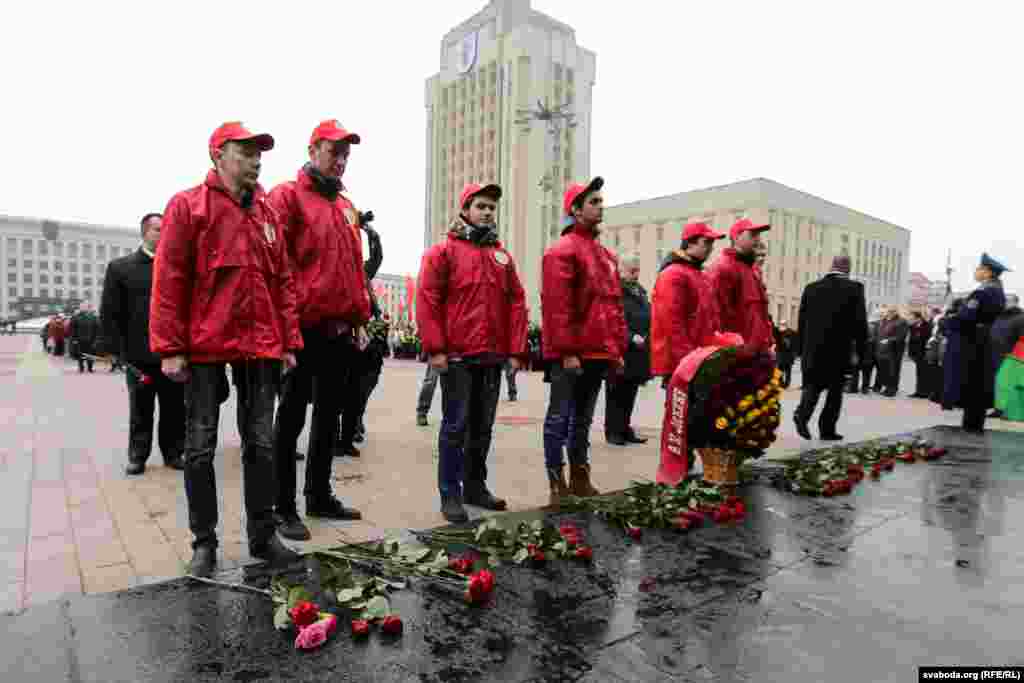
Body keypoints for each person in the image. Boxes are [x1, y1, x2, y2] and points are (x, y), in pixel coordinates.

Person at [150, 121, 304, 577]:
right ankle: (204, 542)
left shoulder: (267, 214)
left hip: (261, 345)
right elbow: (170, 278)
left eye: (259, 154)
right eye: (246, 152)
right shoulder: (188, 206)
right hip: (205, 346)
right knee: (200, 446)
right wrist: (170, 347)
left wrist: (289, 342)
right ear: (218, 154)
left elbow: (283, 282)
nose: (256, 161)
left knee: (261, 443)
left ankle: (263, 536)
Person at [266, 119, 369, 542]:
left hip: (338, 329)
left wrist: (360, 318)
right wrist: (285, 330)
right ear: (312, 150)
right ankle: (281, 507)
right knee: (291, 417)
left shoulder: (346, 206)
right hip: (302, 328)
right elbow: (276, 266)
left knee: (329, 415)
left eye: (346, 154)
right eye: (333, 152)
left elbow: (354, 267)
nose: (340, 160)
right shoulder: (287, 196)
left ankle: (319, 495)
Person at [417, 182, 528, 522]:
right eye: (480, 206)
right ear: (465, 210)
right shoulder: (443, 252)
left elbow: (516, 302)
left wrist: (515, 351)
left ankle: (475, 487)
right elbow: (428, 299)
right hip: (458, 356)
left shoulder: (502, 257)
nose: (487, 212)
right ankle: (450, 494)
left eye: (491, 207)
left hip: (491, 356)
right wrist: (436, 349)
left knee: (483, 426)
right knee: (456, 426)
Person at [541, 177, 626, 504]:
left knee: (583, 419)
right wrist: (567, 351)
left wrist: (615, 349)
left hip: (598, 352)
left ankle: (580, 476)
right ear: (575, 210)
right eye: (593, 202)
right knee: (559, 417)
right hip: (572, 354)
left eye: (601, 201)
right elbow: (557, 306)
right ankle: (556, 482)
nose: (601, 206)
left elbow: (614, 306)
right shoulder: (561, 251)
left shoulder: (605, 255)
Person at [99, 213, 186, 475]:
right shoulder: (121, 268)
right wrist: (114, 350)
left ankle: (173, 453)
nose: (164, 233)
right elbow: (110, 312)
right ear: (145, 233)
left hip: (172, 354)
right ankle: (138, 456)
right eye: (158, 229)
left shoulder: (178, 267)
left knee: (174, 409)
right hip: (138, 356)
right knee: (140, 410)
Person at [649, 221, 725, 481]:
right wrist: (689, 361)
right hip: (682, 362)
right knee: (679, 417)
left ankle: (685, 463)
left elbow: (709, 319)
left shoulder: (698, 274)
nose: (711, 248)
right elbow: (672, 323)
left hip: (699, 357)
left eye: (712, 243)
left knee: (693, 415)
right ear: (690, 242)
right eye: (707, 242)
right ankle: (676, 466)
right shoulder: (674, 275)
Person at [792, 256, 868, 441]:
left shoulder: (811, 287)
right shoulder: (855, 288)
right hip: (839, 350)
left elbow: (802, 320)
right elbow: (860, 323)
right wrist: (862, 351)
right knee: (835, 392)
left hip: (813, 350)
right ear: (848, 268)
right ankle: (827, 430)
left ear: (831, 266)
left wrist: (800, 349)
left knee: (812, 386)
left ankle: (802, 415)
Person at [957, 253, 1009, 433]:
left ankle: (971, 426)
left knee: (974, 382)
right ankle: (974, 424)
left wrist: (952, 318)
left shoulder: (984, 291)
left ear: (988, 272)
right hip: (986, 338)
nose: (976, 272)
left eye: (979, 269)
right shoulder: (998, 290)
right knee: (980, 382)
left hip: (976, 340)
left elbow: (966, 316)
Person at [707, 218, 774, 353]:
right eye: (752, 235)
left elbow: (760, 314)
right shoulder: (723, 268)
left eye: (758, 235)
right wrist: (731, 350)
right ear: (736, 237)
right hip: (738, 355)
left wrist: (769, 342)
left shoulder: (752, 270)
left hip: (759, 352)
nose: (758, 239)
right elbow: (716, 317)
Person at [605, 255, 651, 445]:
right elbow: (612, 320)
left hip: (638, 351)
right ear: (621, 270)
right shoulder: (615, 290)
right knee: (616, 392)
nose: (636, 274)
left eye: (637, 269)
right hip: (621, 349)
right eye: (632, 270)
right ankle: (613, 431)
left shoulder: (639, 291)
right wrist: (631, 337)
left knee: (630, 392)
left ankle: (624, 428)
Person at [987, 294, 1024, 419]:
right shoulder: (999, 317)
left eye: (1008, 301)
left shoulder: (1020, 317)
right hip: (996, 354)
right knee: (999, 383)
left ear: (1016, 302)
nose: (1005, 303)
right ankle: (999, 409)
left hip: (1012, 356)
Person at [875, 306, 908, 396]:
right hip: (885, 350)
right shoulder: (886, 320)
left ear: (895, 312)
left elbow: (901, 336)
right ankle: (887, 387)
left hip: (895, 350)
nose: (889, 313)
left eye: (891, 312)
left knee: (893, 371)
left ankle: (892, 389)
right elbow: (881, 333)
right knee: (886, 370)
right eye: (888, 312)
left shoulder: (901, 321)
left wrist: (889, 340)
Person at [940, 299, 966, 410]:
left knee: (949, 377)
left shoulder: (948, 318)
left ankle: (947, 402)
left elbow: (944, 331)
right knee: (955, 377)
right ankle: (953, 401)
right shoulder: (960, 319)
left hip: (950, 349)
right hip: (958, 350)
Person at [907, 311, 933, 398]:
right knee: (919, 373)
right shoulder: (913, 326)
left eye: (912, 318)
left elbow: (924, 338)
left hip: (924, 353)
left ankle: (925, 392)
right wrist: (911, 353)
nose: (911, 320)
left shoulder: (927, 326)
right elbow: (911, 340)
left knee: (924, 373)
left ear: (918, 318)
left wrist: (917, 331)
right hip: (916, 353)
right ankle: (918, 391)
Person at [70, 302, 101, 373]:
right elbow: (73, 329)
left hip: (91, 339)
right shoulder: (76, 317)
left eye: (85, 307)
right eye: (82, 307)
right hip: (80, 339)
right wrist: (74, 339)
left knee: (90, 354)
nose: (83, 308)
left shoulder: (93, 317)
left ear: (88, 308)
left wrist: (96, 339)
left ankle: (90, 368)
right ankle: (81, 367)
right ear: (80, 308)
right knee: (80, 354)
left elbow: (97, 329)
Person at [773, 321, 798, 388]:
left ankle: (785, 383)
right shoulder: (779, 332)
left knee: (786, 370)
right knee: (782, 370)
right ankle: (782, 383)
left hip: (786, 355)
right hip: (782, 354)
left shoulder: (791, 333)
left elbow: (794, 345)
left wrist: (794, 354)